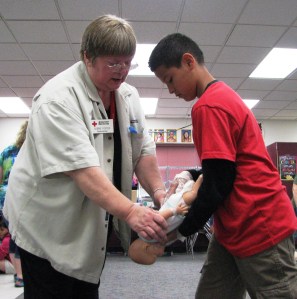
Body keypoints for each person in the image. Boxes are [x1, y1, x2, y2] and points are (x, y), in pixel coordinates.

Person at [3, 15, 168, 299]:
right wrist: (130, 212)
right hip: (47, 224)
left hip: (88, 225)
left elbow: (142, 150)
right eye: (113, 63)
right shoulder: (58, 99)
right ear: (87, 57)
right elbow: (85, 172)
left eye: (128, 62)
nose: (122, 71)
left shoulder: (128, 95)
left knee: (85, 288)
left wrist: (159, 192)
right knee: (52, 291)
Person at [148, 33, 297, 298]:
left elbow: (217, 183)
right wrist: (189, 173)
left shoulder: (209, 106)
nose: (170, 90)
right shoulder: (221, 97)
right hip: (231, 230)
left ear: (188, 61)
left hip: (259, 225)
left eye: (170, 79)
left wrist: (179, 231)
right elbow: (223, 167)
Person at [128, 172, 203, 265]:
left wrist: (175, 211)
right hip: (179, 213)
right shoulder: (160, 241)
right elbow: (176, 233)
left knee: (191, 196)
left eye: (156, 255)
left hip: (175, 207)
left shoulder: (147, 234)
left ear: (147, 247)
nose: (161, 253)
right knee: (190, 196)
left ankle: (201, 178)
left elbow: (159, 216)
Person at [0, 120, 28, 287]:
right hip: (21, 199)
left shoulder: (7, 151)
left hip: (4, 199)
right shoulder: (33, 150)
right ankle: (21, 275)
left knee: (13, 236)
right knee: (22, 238)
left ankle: (19, 274)